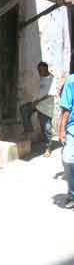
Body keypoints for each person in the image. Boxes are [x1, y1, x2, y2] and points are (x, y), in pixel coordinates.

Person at [20, 61, 56, 157]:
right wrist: (35, 100)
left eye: (41, 70)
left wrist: (38, 100)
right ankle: (29, 129)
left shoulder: (52, 79)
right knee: (24, 109)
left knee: (46, 128)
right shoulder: (41, 78)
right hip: (37, 104)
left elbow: (50, 94)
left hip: (46, 107)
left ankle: (48, 148)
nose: (39, 72)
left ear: (46, 68)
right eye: (38, 70)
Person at [58, 75, 74, 208]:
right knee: (68, 159)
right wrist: (61, 130)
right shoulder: (71, 81)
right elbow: (65, 109)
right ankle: (72, 194)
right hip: (72, 128)